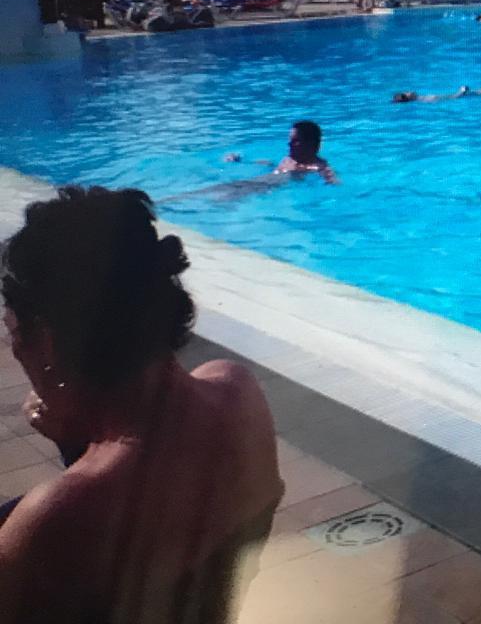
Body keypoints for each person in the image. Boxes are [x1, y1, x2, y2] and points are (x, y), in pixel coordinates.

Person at [0, 187, 282, 622]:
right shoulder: (238, 392)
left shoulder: (55, 520)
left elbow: (93, 516)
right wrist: (80, 442)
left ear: (49, 343)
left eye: (17, 339)